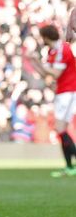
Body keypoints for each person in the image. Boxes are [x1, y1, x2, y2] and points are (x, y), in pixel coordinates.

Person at [28, 24, 76, 177]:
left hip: (69, 91)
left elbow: (54, 74)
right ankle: (69, 167)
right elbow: (46, 75)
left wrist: (38, 62)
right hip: (62, 92)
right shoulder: (53, 51)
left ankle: (70, 166)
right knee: (60, 129)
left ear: (46, 37)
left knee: (60, 128)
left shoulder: (63, 49)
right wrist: (34, 63)